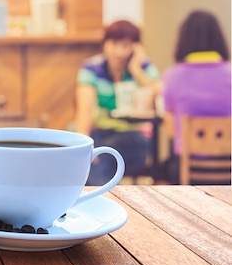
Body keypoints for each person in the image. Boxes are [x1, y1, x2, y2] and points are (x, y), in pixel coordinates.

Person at [75, 20, 161, 185]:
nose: (119, 52)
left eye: (125, 45)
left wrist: (136, 70)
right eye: (114, 44)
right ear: (105, 43)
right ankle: (103, 197)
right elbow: (84, 109)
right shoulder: (92, 69)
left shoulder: (143, 67)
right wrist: (83, 142)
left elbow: (162, 93)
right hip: (101, 132)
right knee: (94, 151)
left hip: (135, 135)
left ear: (135, 48)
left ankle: (98, 200)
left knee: (103, 153)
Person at [161, 10, 231, 182]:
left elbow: (172, 131)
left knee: (164, 167)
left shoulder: (172, 76)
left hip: (187, 168)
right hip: (228, 167)